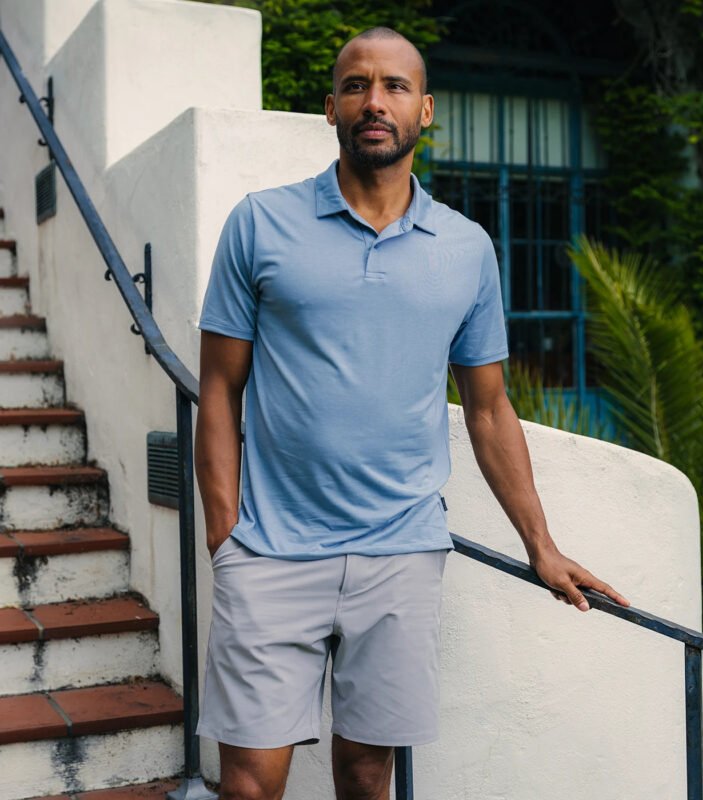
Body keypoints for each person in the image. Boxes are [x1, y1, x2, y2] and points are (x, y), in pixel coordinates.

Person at [194, 25, 631, 800]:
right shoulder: (260, 224)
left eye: (394, 86)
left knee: (368, 775)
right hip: (269, 552)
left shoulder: (464, 247)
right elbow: (220, 388)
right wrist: (224, 536)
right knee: (249, 785)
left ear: (424, 110)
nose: (374, 101)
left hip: (400, 553)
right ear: (330, 107)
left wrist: (541, 545)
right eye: (356, 85)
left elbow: (488, 408)